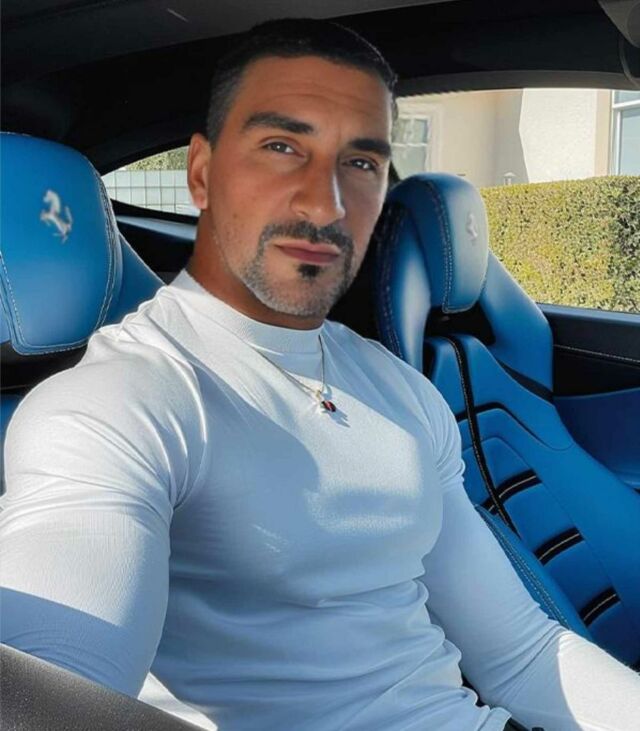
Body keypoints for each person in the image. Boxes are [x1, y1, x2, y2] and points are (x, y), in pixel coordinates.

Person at [1, 18, 639, 731]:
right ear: (202, 173)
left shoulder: (398, 387)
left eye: (360, 162)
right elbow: (56, 690)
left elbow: (522, 653)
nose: (326, 202)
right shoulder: (116, 404)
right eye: (282, 147)